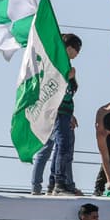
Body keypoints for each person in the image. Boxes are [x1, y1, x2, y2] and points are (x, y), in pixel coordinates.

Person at [31, 33, 83, 195]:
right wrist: (68, 76)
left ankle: (55, 182)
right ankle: (58, 184)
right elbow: (53, 86)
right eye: (77, 49)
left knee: (61, 147)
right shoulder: (57, 63)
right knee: (61, 147)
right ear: (68, 48)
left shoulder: (66, 65)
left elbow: (67, 93)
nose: (78, 53)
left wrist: (71, 114)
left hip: (66, 111)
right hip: (57, 113)